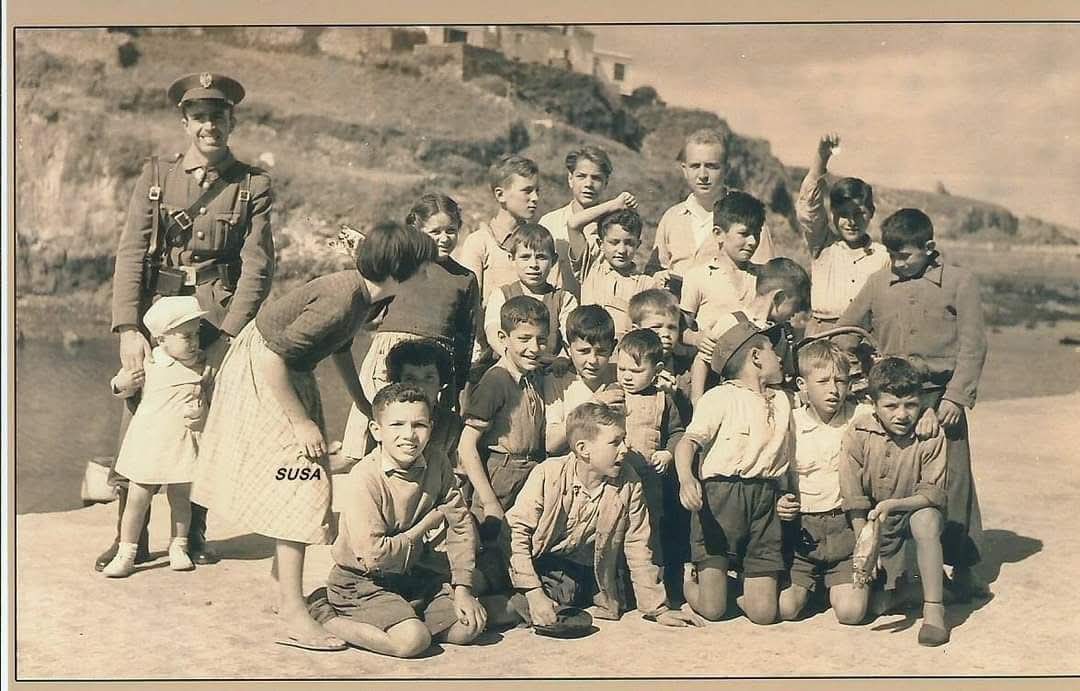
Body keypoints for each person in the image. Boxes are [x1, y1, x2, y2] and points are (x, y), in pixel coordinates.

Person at [190, 221, 434, 651]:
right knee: (305, 485)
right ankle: (294, 614)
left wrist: (362, 401)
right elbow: (271, 359)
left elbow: (337, 347)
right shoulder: (344, 298)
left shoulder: (367, 297)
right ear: (399, 267)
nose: (424, 275)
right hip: (265, 372)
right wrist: (301, 423)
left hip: (290, 371)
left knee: (305, 479)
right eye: (420, 266)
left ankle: (282, 588)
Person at [101, 71, 275, 571]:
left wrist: (228, 336)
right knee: (137, 413)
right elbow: (132, 253)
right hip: (158, 314)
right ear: (184, 122)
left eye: (218, 116)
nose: (209, 126)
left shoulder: (251, 185)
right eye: (199, 117)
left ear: (231, 120)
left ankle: (191, 535)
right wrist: (128, 328)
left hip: (213, 315)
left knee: (202, 420)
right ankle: (126, 538)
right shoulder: (156, 177)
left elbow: (258, 266)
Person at [839, 208, 989, 602]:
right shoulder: (877, 283)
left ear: (928, 247)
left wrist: (956, 396)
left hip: (942, 400)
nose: (898, 263)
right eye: (892, 254)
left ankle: (964, 566)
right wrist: (860, 379)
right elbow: (847, 333)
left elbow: (973, 346)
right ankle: (902, 573)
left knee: (952, 483)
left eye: (905, 255)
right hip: (893, 401)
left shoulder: (960, 282)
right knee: (896, 481)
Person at [305, 384, 489, 658]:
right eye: (397, 425)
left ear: (431, 426)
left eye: (419, 425)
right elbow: (375, 557)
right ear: (376, 430)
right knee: (411, 642)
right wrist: (426, 524)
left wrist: (462, 589)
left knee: (469, 627)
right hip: (362, 581)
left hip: (411, 574)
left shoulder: (437, 462)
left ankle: (406, 615)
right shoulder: (365, 478)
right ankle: (324, 613)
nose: (409, 435)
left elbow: (460, 525)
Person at [505, 402, 705, 629]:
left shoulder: (629, 483)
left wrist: (657, 609)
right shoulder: (548, 473)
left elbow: (638, 547)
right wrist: (533, 593)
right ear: (583, 449)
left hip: (572, 571)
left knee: (556, 598)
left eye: (624, 440)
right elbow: (515, 533)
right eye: (615, 442)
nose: (625, 449)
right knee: (493, 573)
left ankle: (499, 608)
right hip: (529, 556)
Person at [341, 194, 480, 459]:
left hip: (434, 361)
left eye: (451, 230)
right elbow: (369, 309)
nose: (444, 238)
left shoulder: (465, 278)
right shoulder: (403, 266)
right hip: (388, 354)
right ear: (416, 231)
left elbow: (466, 334)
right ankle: (360, 471)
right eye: (435, 231)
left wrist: (456, 384)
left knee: (418, 426)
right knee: (373, 416)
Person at [674, 319, 793, 624]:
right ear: (755, 357)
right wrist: (686, 479)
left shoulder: (782, 400)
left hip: (764, 502)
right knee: (713, 611)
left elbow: (786, 457)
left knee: (764, 614)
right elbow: (688, 443)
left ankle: (741, 583)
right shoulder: (720, 397)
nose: (780, 357)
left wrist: (785, 494)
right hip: (719, 501)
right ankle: (692, 576)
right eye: (772, 351)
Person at [839, 357, 950, 646]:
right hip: (875, 529)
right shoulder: (859, 432)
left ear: (921, 402)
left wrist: (893, 505)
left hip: (912, 525)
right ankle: (907, 589)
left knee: (925, 518)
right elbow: (853, 496)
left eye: (911, 405)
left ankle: (934, 609)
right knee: (854, 612)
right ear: (872, 404)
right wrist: (865, 546)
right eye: (891, 406)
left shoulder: (930, 434)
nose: (902, 414)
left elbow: (931, 494)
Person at [102, 296, 215, 577]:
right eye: (185, 335)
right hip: (150, 441)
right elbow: (120, 386)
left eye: (196, 334)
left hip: (182, 442)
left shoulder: (203, 367)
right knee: (137, 498)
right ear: (161, 339)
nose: (193, 341)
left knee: (181, 499)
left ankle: (179, 545)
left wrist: (203, 416)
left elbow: (212, 402)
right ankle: (127, 550)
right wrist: (123, 384)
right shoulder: (149, 361)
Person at [457, 294, 549, 588]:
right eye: (524, 338)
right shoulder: (496, 380)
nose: (534, 348)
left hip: (529, 472)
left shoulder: (532, 375)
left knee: (518, 547)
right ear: (502, 337)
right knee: (489, 548)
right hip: (500, 476)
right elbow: (466, 445)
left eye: (541, 339)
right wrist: (488, 500)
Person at [776, 340, 871, 623]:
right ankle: (813, 586)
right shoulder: (789, 421)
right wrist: (779, 500)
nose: (833, 389)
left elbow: (895, 406)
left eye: (841, 380)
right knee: (785, 609)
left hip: (845, 530)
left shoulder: (861, 416)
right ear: (802, 386)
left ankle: (835, 585)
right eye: (823, 381)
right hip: (803, 534)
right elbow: (773, 471)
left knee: (851, 614)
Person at [650, 128, 774, 290]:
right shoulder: (671, 217)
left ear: (727, 169)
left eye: (711, 166)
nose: (703, 175)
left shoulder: (749, 217)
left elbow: (767, 281)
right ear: (684, 170)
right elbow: (655, 269)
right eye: (695, 166)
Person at [796, 134, 889, 336]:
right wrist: (822, 157)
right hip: (821, 334)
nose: (852, 222)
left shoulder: (883, 256)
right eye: (843, 215)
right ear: (832, 215)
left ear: (871, 212)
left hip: (864, 336)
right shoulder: (821, 243)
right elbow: (808, 207)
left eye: (859, 214)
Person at [690, 257, 810, 404]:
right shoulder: (732, 322)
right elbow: (702, 360)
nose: (797, 312)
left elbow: (786, 374)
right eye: (796, 304)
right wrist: (697, 400)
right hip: (731, 405)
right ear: (779, 298)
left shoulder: (783, 332)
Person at [613, 329, 686, 564]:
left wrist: (667, 453)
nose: (627, 377)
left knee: (648, 531)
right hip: (615, 478)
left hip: (648, 481)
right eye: (622, 369)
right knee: (614, 528)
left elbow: (677, 433)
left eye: (636, 371)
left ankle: (651, 583)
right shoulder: (613, 394)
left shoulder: (663, 400)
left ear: (657, 370)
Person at [455, 154, 542, 305]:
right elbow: (469, 302)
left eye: (537, 191)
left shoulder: (540, 241)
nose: (535, 198)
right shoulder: (479, 242)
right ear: (501, 195)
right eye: (527, 191)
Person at [679, 191, 767, 340]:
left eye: (757, 233)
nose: (753, 241)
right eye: (744, 234)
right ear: (718, 234)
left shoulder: (764, 277)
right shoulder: (697, 277)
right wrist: (697, 340)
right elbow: (682, 331)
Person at [483, 223, 578, 361]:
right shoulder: (502, 295)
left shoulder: (563, 299)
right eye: (525, 257)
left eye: (541, 257)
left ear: (554, 260)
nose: (533, 264)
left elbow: (571, 338)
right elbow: (493, 334)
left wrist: (563, 358)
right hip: (509, 366)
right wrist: (516, 361)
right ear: (512, 259)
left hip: (549, 369)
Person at [539, 144, 619, 296]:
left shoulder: (613, 226)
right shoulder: (549, 222)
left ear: (605, 183)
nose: (588, 184)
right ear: (570, 179)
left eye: (596, 178)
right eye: (581, 176)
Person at [542, 305, 621, 455]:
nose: (593, 360)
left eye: (602, 351)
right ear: (567, 348)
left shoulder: (620, 374)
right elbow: (551, 444)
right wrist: (592, 405)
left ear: (613, 347)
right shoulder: (558, 380)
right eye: (583, 351)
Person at [575, 209, 665, 340]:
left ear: (638, 245)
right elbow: (574, 224)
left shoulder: (647, 285)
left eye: (629, 243)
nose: (622, 250)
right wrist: (616, 204)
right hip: (587, 350)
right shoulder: (590, 269)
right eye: (614, 242)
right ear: (600, 244)